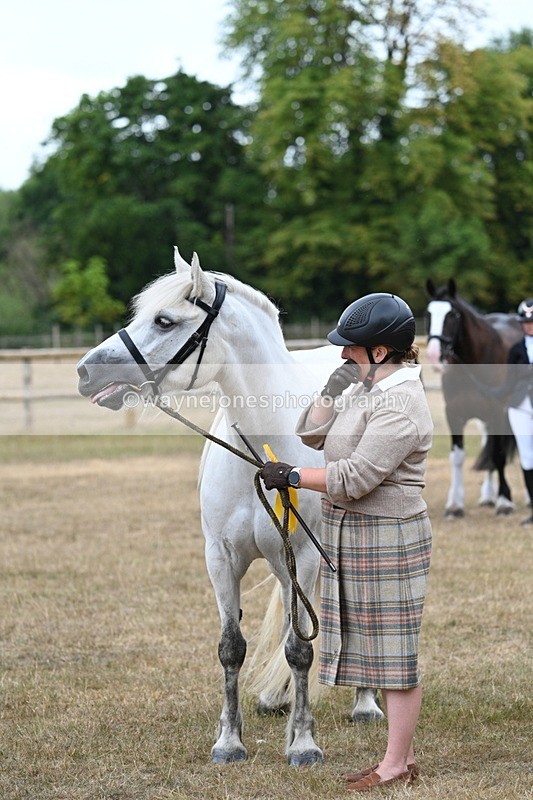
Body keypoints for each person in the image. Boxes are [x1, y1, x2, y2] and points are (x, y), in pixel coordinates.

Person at [260, 293, 433, 792]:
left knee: (395, 657)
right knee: (379, 650)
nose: (341, 354)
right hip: (355, 532)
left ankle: (396, 765)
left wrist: (293, 476)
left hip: (388, 535)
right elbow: (311, 434)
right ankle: (399, 759)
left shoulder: (401, 403)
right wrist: (334, 388)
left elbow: (355, 477)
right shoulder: (364, 388)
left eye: (350, 348)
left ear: (380, 351)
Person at [506, 298, 533, 525]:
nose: (529, 326)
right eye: (526, 323)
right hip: (521, 407)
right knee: (527, 457)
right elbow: (509, 381)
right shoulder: (516, 350)